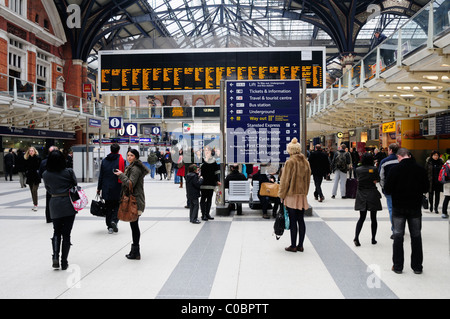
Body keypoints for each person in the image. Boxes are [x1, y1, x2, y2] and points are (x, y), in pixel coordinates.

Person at [384, 148, 428, 274]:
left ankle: (398, 266)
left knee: (398, 236)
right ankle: (417, 266)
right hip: (415, 208)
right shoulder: (420, 169)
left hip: (398, 208)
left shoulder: (395, 170)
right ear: (409, 155)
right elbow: (425, 187)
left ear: (399, 156)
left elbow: (387, 189)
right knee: (416, 236)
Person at [42, 150, 78, 270]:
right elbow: (75, 184)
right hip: (68, 204)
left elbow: (48, 188)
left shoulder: (46, 174)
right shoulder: (68, 172)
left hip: (54, 204)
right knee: (66, 234)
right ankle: (64, 261)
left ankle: (55, 256)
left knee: (56, 231)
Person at [114, 149, 150, 260]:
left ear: (136, 157)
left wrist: (121, 175)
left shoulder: (135, 169)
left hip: (135, 201)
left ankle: (136, 252)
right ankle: (134, 251)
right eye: (128, 155)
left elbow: (130, 183)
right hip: (135, 200)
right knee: (134, 225)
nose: (129, 157)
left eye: (132, 155)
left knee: (134, 226)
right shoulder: (131, 167)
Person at [278, 138, 311, 253]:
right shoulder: (305, 161)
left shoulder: (290, 162)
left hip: (291, 195)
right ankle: (300, 245)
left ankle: (293, 245)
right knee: (301, 219)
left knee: (293, 220)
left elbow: (285, 180)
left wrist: (281, 195)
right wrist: (305, 192)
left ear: (290, 150)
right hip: (301, 195)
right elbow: (308, 179)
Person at [353, 153, 382, 246]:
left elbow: (357, 178)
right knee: (374, 218)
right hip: (372, 193)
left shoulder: (357, 169)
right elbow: (377, 179)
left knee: (362, 217)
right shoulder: (374, 169)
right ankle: (373, 239)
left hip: (361, 194)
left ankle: (356, 237)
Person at [97, 143, 126, 234]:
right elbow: (124, 175)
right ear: (118, 150)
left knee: (108, 207)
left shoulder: (105, 161)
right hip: (117, 187)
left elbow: (101, 175)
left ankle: (109, 226)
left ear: (110, 150)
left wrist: (99, 188)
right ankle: (114, 220)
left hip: (106, 188)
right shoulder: (122, 161)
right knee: (118, 205)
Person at [379, 143, 399, 237]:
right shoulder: (402, 160)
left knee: (391, 209)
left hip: (389, 189)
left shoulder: (384, 161)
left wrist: (383, 187)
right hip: (401, 189)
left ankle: (395, 229)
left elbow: (381, 176)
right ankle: (400, 227)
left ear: (390, 150)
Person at [199, 145, 220, 221]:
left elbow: (216, 171)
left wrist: (217, 180)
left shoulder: (214, 160)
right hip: (204, 182)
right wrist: (206, 160)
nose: (206, 152)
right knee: (203, 198)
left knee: (209, 198)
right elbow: (201, 169)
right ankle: (203, 214)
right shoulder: (202, 160)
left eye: (208, 150)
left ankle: (207, 214)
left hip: (211, 182)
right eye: (205, 150)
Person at [40, 146, 59, 223]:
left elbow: (41, 173)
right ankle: (56, 217)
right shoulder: (59, 161)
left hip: (49, 185)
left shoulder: (44, 162)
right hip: (58, 185)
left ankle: (49, 217)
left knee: (49, 201)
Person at [24, 147, 41, 211]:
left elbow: (40, 167)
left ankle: (36, 205)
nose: (31, 152)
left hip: (36, 177)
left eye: (32, 150)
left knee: (34, 190)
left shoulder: (38, 158)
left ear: (34, 151)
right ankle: (34, 204)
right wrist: (26, 172)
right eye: (30, 150)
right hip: (30, 177)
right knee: (32, 191)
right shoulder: (27, 159)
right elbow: (25, 167)